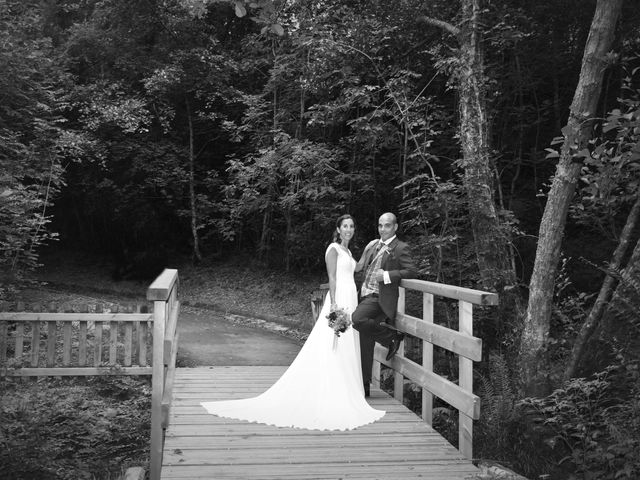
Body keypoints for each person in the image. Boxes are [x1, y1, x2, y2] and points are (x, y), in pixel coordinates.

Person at [200, 214, 385, 430]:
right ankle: (332, 388)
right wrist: (334, 304)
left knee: (347, 342)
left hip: (351, 297)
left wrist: (370, 247)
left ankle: (347, 386)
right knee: (334, 342)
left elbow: (358, 268)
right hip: (340, 298)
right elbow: (332, 277)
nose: (349, 229)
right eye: (345, 226)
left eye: (352, 226)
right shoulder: (333, 249)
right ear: (338, 228)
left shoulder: (348, 250)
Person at [353, 212, 417, 397]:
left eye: (387, 225)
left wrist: (388, 276)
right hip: (364, 295)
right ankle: (364, 386)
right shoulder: (374, 245)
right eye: (380, 225)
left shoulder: (400, 247)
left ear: (395, 227)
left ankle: (391, 338)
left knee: (357, 320)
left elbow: (412, 271)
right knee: (365, 340)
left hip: (380, 299)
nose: (383, 229)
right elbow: (361, 269)